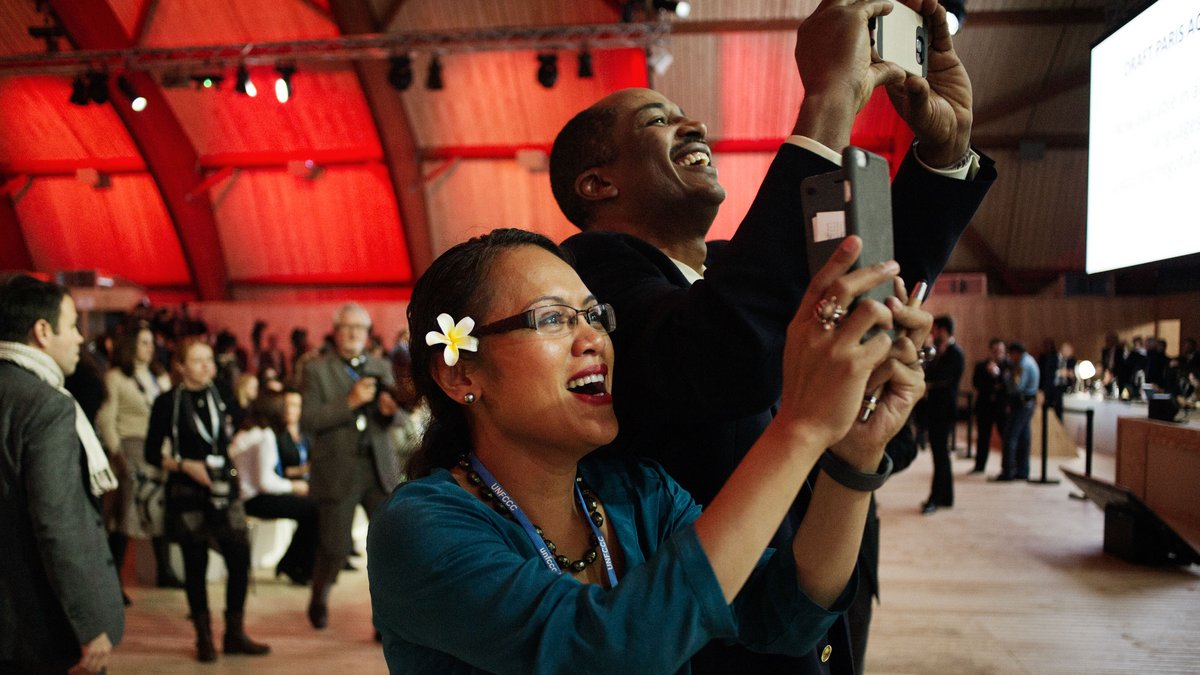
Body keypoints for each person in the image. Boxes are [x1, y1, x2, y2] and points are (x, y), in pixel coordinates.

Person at [550, 1, 994, 671]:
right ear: (598, 182)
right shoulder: (587, 274)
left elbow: (879, 272)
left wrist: (944, 152)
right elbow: (721, 356)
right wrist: (827, 100)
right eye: (658, 120)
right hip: (726, 629)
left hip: (822, 586)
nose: (693, 123)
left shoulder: (738, 271)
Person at [369, 228, 929, 674]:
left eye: (594, 315)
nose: (592, 340)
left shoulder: (639, 493)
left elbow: (783, 616)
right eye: (552, 319)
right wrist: (801, 426)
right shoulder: (421, 527)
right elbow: (608, 651)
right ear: (460, 371)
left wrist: (853, 457)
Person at [0, 275, 124, 674]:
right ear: (41, 331)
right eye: (71, 326)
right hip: (36, 619)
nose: (78, 340)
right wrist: (89, 625)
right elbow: (58, 520)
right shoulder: (46, 405)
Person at [144, 337, 270, 662]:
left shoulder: (222, 394)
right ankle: (203, 637)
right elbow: (150, 453)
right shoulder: (167, 402)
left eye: (209, 360)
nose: (207, 367)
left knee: (239, 558)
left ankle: (234, 632)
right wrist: (185, 465)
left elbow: (233, 431)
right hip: (186, 490)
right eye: (198, 361)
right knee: (195, 563)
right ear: (181, 366)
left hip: (222, 488)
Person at [300, 303, 402, 630]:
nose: (353, 334)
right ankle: (319, 596)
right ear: (335, 332)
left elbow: (398, 416)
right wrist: (350, 403)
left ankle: (383, 620)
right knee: (335, 547)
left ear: (367, 333)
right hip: (338, 470)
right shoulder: (317, 370)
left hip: (378, 468)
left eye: (359, 328)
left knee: (388, 548)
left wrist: (388, 411)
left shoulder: (380, 365)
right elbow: (309, 420)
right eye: (346, 328)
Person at [96, 323, 184, 593]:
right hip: (130, 448)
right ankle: (114, 581)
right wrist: (116, 452)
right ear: (130, 344)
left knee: (158, 509)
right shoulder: (116, 378)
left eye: (151, 343)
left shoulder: (160, 377)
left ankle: (165, 571)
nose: (150, 348)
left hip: (159, 451)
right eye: (144, 342)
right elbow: (107, 420)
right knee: (126, 513)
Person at [230, 390, 319, 585]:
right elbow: (265, 482)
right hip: (253, 500)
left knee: (311, 509)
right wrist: (294, 486)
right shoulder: (264, 436)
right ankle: (296, 566)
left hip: (244, 497)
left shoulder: (249, 432)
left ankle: (291, 562)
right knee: (315, 510)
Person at [921, 315, 963, 514]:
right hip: (935, 408)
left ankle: (935, 498)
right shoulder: (937, 352)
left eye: (935, 330)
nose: (933, 334)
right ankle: (947, 497)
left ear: (944, 330)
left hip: (945, 410)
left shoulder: (955, 353)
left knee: (941, 454)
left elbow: (942, 377)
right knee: (940, 453)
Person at [995, 341, 1039, 482]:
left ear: (1016, 353)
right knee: (1024, 438)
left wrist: (1006, 377)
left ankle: (1008, 471)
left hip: (1022, 404)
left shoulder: (1023, 365)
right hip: (1027, 403)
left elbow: (1016, 387)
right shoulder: (1028, 361)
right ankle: (1022, 470)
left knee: (1010, 437)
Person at [970, 338, 1009, 474]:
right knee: (983, 437)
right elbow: (976, 384)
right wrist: (990, 376)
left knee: (1006, 437)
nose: (999, 353)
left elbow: (1008, 386)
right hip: (985, 406)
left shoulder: (1008, 366)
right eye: (996, 351)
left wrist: (997, 375)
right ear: (991, 351)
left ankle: (1007, 468)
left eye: (1001, 351)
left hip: (1001, 407)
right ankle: (979, 466)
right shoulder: (982, 366)